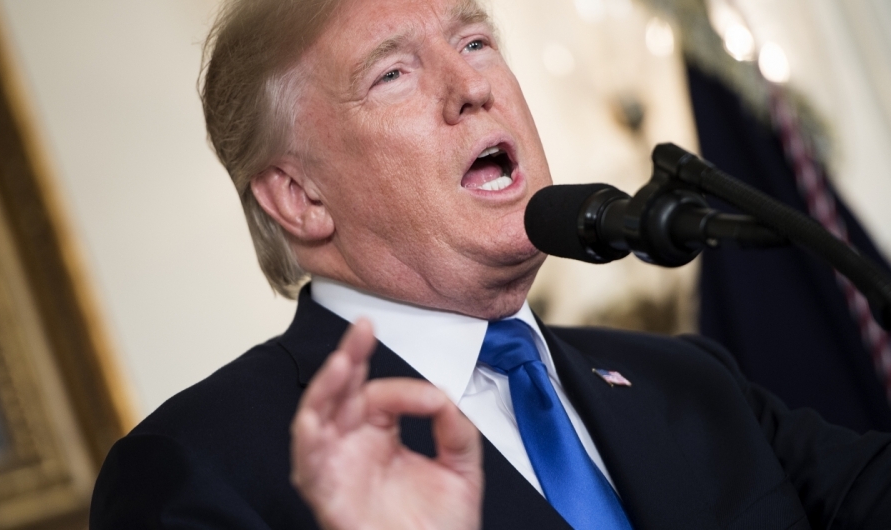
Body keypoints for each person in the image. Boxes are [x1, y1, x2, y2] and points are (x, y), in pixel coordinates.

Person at [89, 0, 891, 528]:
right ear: (299, 198)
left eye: (475, 41)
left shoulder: (691, 380)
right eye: (392, 73)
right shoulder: (198, 469)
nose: (471, 84)